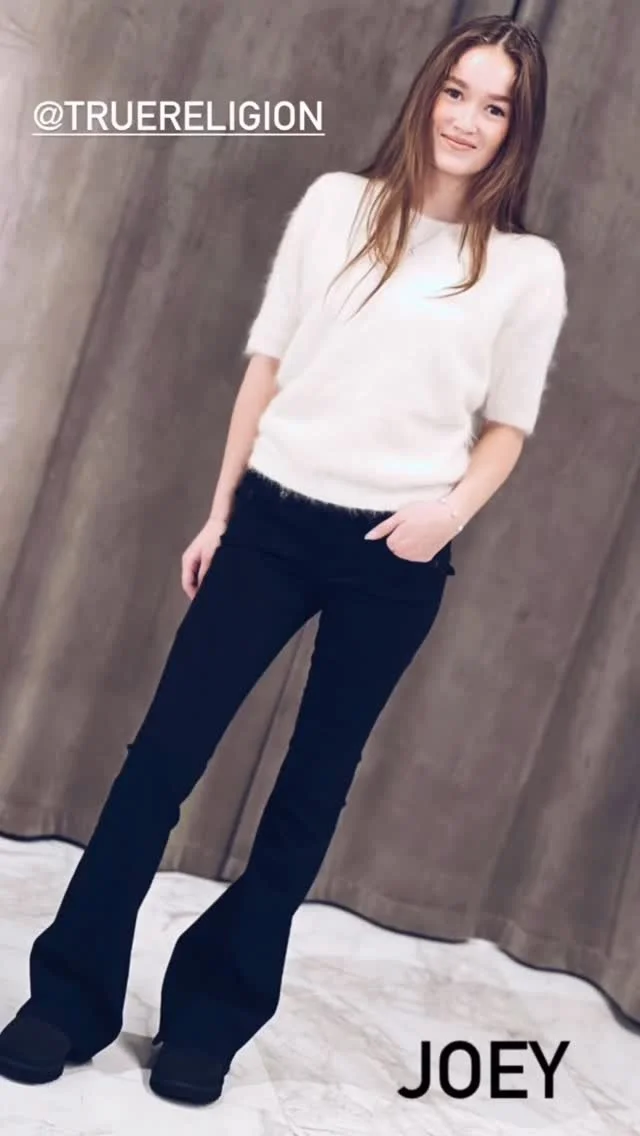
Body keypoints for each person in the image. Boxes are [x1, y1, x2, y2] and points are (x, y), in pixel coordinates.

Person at [0, 14, 568, 1108]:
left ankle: (210, 1017)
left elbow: (509, 426)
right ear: (428, 92)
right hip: (272, 519)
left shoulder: (524, 270)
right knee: (160, 761)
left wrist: (446, 514)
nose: (467, 119)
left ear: (517, 129)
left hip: (393, 554)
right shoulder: (336, 207)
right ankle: (67, 996)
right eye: (456, 91)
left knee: (308, 796)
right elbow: (267, 366)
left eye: (495, 106)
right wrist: (220, 512)